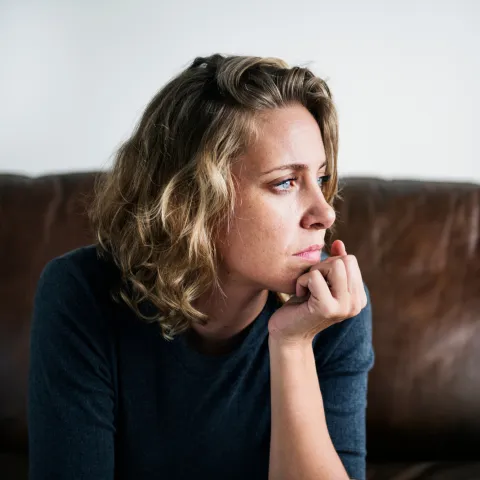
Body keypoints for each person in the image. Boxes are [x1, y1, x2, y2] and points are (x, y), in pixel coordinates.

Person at [28, 54, 374, 480]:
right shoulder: (81, 293)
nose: (325, 213)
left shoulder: (333, 307)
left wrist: (293, 345)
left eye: (320, 179)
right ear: (193, 200)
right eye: (285, 182)